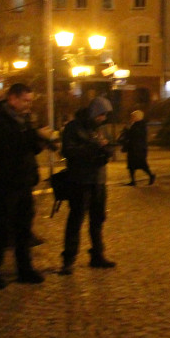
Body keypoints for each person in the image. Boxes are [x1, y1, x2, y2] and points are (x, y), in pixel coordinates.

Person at [0, 83, 55, 287]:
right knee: (0, 228)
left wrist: (40, 143)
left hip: (25, 181)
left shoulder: (25, 119)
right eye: (25, 100)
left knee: (23, 228)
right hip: (4, 182)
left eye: (30, 100)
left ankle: (25, 269)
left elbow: (27, 149)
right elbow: (7, 147)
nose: (29, 105)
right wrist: (33, 137)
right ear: (12, 98)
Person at [60, 95, 117, 274]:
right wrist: (93, 148)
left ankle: (97, 255)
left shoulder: (101, 129)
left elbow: (110, 147)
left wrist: (106, 149)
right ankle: (68, 259)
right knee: (76, 220)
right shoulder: (74, 128)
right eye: (101, 115)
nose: (103, 118)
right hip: (80, 180)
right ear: (93, 113)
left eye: (105, 115)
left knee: (97, 219)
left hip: (98, 180)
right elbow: (68, 151)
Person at [119, 110, 155, 186]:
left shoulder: (141, 125)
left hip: (139, 149)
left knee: (142, 164)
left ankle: (151, 175)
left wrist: (128, 130)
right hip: (133, 148)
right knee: (131, 165)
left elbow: (136, 134)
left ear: (137, 117)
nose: (131, 118)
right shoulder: (134, 124)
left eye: (133, 116)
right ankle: (133, 181)